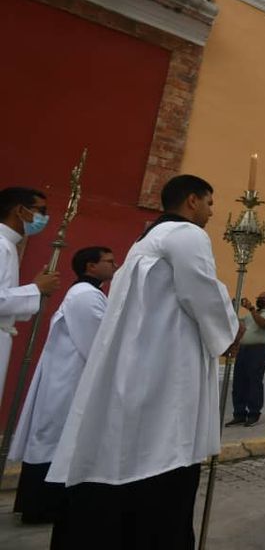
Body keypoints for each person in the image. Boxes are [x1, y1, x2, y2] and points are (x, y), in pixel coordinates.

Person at [47, 174, 239, 549]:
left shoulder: (144, 242)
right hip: (166, 363)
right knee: (164, 444)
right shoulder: (187, 236)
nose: (213, 212)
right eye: (210, 203)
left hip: (138, 359)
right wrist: (229, 332)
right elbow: (201, 290)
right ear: (192, 201)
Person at [10, 246, 114, 524]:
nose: (114, 265)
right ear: (90, 266)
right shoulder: (86, 297)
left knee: (51, 439)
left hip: (65, 377)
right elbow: (98, 343)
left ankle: (40, 504)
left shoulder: (88, 294)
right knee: (54, 440)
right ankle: (43, 506)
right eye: (108, 261)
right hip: (68, 381)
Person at [0, 187, 61, 402]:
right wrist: (35, 289)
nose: (44, 218)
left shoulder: (7, 244)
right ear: (20, 210)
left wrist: (35, 287)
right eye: (40, 211)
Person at [227, 291, 265, 427]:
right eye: (258, 298)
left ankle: (253, 414)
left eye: (261, 299)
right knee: (239, 382)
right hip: (243, 350)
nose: (258, 301)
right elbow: (238, 323)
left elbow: (263, 324)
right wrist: (232, 308)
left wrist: (251, 309)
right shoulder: (251, 315)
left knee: (254, 382)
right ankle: (239, 414)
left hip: (258, 351)